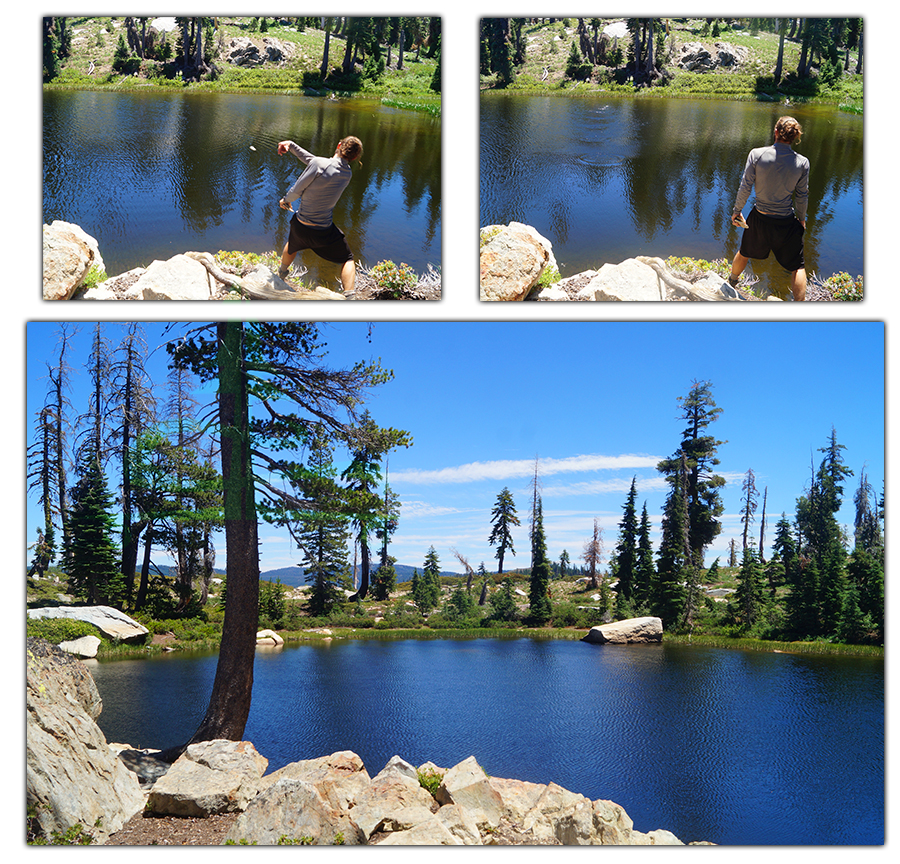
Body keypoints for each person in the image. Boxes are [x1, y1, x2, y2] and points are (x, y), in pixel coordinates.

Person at [728, 116, 809, 300]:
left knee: (744, 252)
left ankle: (731, 282)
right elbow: (802, 195)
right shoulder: (802, 163)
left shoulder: (757, 155)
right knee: (798, 266)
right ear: (794, 137)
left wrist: (736, 211)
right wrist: (802, 219)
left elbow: (745, 186)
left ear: (775, 132)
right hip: (786, 222)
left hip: (760, 218)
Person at [276, 135, 363, 292]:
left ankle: (281, 274)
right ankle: (350, 295)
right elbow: (317, 163)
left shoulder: (320, 164)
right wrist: (291, 145)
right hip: (324, 231)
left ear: (338, 144)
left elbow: (297, 190)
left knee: (292, 244)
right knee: (347, 259)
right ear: (355, 157)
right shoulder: (347, 173)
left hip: (301, 226)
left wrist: (285, 200)